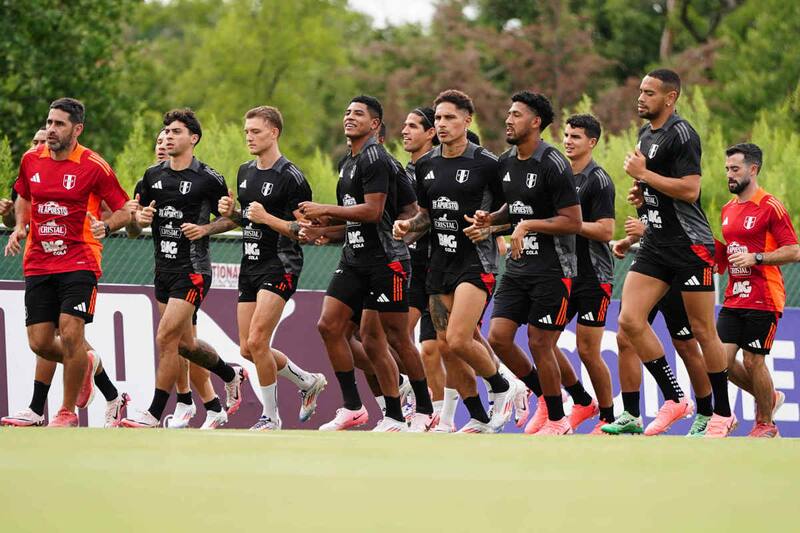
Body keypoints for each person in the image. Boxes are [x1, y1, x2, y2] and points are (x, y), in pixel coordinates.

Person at [300, 95, 434, 432]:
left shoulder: (375, 158)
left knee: (393, 339)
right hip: (355, 258)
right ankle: (353, 407)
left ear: (375, 124)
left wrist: (325, 209)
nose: (349, 117)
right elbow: (375, 217)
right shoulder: (349, 160)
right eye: (346, 112)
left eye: (358, 113)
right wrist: (326, 231)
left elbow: (374, 212)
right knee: (329, 326)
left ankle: (421, 409)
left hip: (385, 261)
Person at [618, 68, 736, 437]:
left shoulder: (683, 134)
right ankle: (674, 397)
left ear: (670, 98)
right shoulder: (645, 132)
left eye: (650, 93)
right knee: (629, 321)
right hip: (655, 244)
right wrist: (642, 194)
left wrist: (645, 175)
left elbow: (689, 190)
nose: (641, 97)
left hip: (690, 246)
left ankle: (722, 413)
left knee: (702, 331)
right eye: (640, 91)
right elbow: (658, 188)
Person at [394, 89, 518, 433]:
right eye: (438, 118)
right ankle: (478, 416)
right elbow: (426, 215)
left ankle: (502, 387)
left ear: (467, 120)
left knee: (461, 339)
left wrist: (491, 226)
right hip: (440, 261)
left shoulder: (488, 164)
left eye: (450, 117)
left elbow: (517, 212)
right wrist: (408, 226)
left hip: (477, 262)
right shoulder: (427, 165)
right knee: (447, 348)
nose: (443, 124)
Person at [3, 98, 132, 427]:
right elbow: (23, 196)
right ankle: (87, 364)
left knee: (72, 334)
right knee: (41, 343)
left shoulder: (93, 165)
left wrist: (109, 225)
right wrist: (20, 225)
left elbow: (123, 208)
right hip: (38, 261)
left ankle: (65, 412)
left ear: (77, 130)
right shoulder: (31, 159)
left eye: (58, 124)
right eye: (48, 122)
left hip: (80, 258)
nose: (50, 130)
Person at [121, 108, 246, 429]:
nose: (168, 137)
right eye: (167, 131)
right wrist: (138, 221)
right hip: (163, 269)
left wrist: (207, 228)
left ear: (193, 139)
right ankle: (230, 374)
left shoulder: (209, 177)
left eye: (176, 132)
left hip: (193, 269)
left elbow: (233, 218)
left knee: (166, 337)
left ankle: (153, 413)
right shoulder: (151, 177)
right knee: (185, 345)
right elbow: (134, 228)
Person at [471, 91, 581, 436]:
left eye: (516, 114)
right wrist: (489, 219)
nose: (508, 119)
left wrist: (529, 225)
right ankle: (545, 396)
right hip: (518, 269)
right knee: (499, 338)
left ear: (535, 122)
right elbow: (512, 209)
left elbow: (573, 221)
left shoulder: (553, 162)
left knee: (540, 342)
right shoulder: (505, 162)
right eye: (508, 113)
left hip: (554, 269)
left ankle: (558, 419)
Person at [217, 105, 327, 430]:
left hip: (280, 263)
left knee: (258, 340)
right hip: (250, 263)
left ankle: (270, 418)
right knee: (248, 348)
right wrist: (232, 212)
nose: (249, 137)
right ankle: (307, 381)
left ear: (274, 132)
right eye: (247, 131)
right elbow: (246, 220)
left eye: (256, 131)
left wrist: (267, 218)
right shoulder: (244, 171)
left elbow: (304, 231)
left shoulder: (291, 177)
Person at [715, 143, 798, 437]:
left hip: (764, 295)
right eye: (726, 169)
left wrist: (757, 258)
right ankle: (769, 398)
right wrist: (713, 257)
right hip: (734, 296)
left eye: (735, 169)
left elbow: (794, 251)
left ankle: (765, 424)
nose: (729, 175)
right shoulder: (727, 209)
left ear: (753, 169)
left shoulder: (770, 206)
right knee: (718, 360)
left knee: (753, 360)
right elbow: (729, 255)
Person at [605, 216, 715, 436]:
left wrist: (645, 230)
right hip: (648, 265)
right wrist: (629, 240)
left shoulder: (675, 183)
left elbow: (682, 230)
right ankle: (632, 414)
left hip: (674, 269)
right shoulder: (643, 185)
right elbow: (653, 220)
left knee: (685, 344)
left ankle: (705, 414)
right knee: (625, 337)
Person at [400, 107, 445, 422]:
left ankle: (503, 383)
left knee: (444, 345)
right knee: (413, 342)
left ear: (431, 133)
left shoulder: (438, 168)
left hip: (440, 265)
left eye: (413, 126)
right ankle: (428, 407)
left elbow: (429, 218)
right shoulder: (403, 171)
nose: (405, 131)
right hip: (412, 264)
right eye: (404, 125)